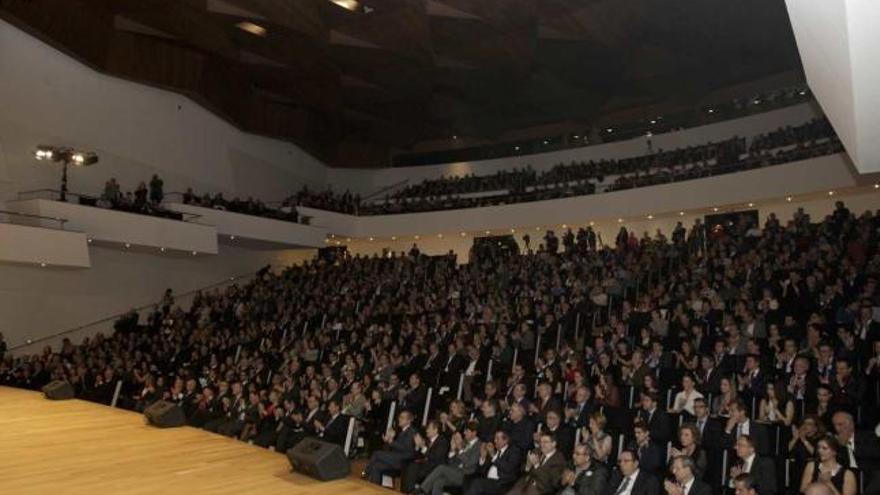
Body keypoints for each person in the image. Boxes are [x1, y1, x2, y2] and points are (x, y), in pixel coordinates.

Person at [416, 422, 481, 495]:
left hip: (466, 476)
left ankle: (422, 489)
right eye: (464, 430)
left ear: (474, 433)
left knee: (441, 468)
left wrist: (460, 449)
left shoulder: (479, 446)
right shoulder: (464, 443)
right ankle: (423, 490)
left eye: (467, 431)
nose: (464, 433)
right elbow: (451, 462)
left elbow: (469, 464)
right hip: (455, 472)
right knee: (439, 481)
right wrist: (452, 450)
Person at [364, 410, 418, 485]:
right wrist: (389, 441)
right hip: (395, 458)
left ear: (408, 421)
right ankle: (375, 489)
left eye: (402, 418)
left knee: (376, 454)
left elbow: (406, 449)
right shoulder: (402, 431)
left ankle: (365, 473)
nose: (399, 419)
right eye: (399, 417)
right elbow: (395, 447)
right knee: (376, 466)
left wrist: (391, 441)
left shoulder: (411, 432)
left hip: (401, 461)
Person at [464, 430, 521, 495]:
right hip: (488, 480)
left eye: (497, 439)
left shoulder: (514, 451)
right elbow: (481, 470)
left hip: (501, 483)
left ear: (505, 441)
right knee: (469, 479)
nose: (494, 441)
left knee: (477, 483)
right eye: (494, 438)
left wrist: (493, 455)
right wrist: (483, 457)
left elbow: (508, 468)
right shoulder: (494, 450)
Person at [401, 421, 450, 494]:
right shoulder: (427, 440)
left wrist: (423, 447)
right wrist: (417, 447)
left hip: (435, 468)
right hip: (424, 465)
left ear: (435, 430)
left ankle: (410, 492)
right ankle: (405, 491)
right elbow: (418, 455)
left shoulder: (442, 441)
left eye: (428, 428)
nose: (426, 430)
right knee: (407, 464)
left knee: (413, 467)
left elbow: (436, 458)